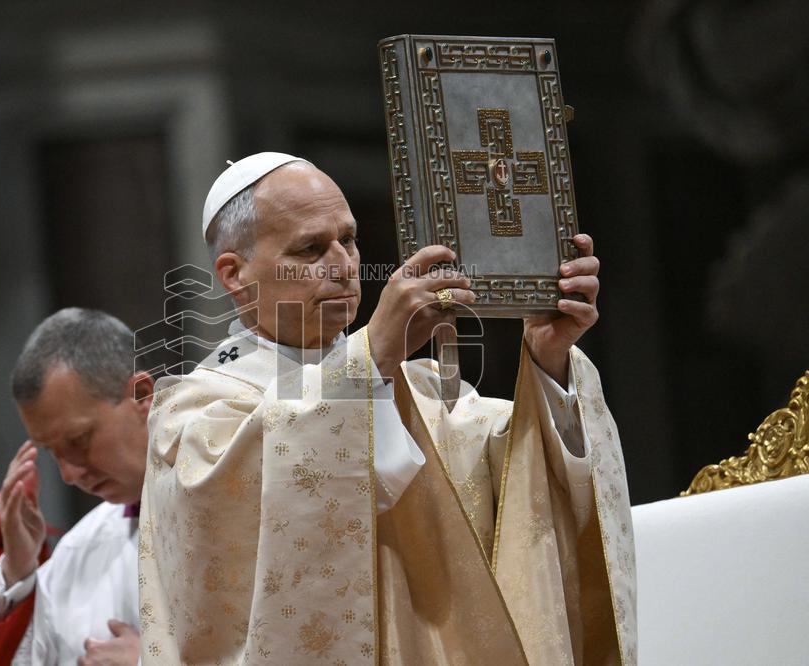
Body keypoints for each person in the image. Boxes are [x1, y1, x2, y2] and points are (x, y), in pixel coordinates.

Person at [138, 153, 636, 665]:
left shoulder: (414, 388)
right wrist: (373, 351)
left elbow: (519, 487)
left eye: (348, 240)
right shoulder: (194, 412)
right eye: (311, 248)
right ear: (234, 273)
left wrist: (547, 355)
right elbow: (245, 526)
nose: (343, 265)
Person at [0, 308, 152, 665]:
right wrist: (18, 567)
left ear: (142, 395)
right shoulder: (79, 550)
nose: (68, 474)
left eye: (79, 440)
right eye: (52, 453)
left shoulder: (247, 507)